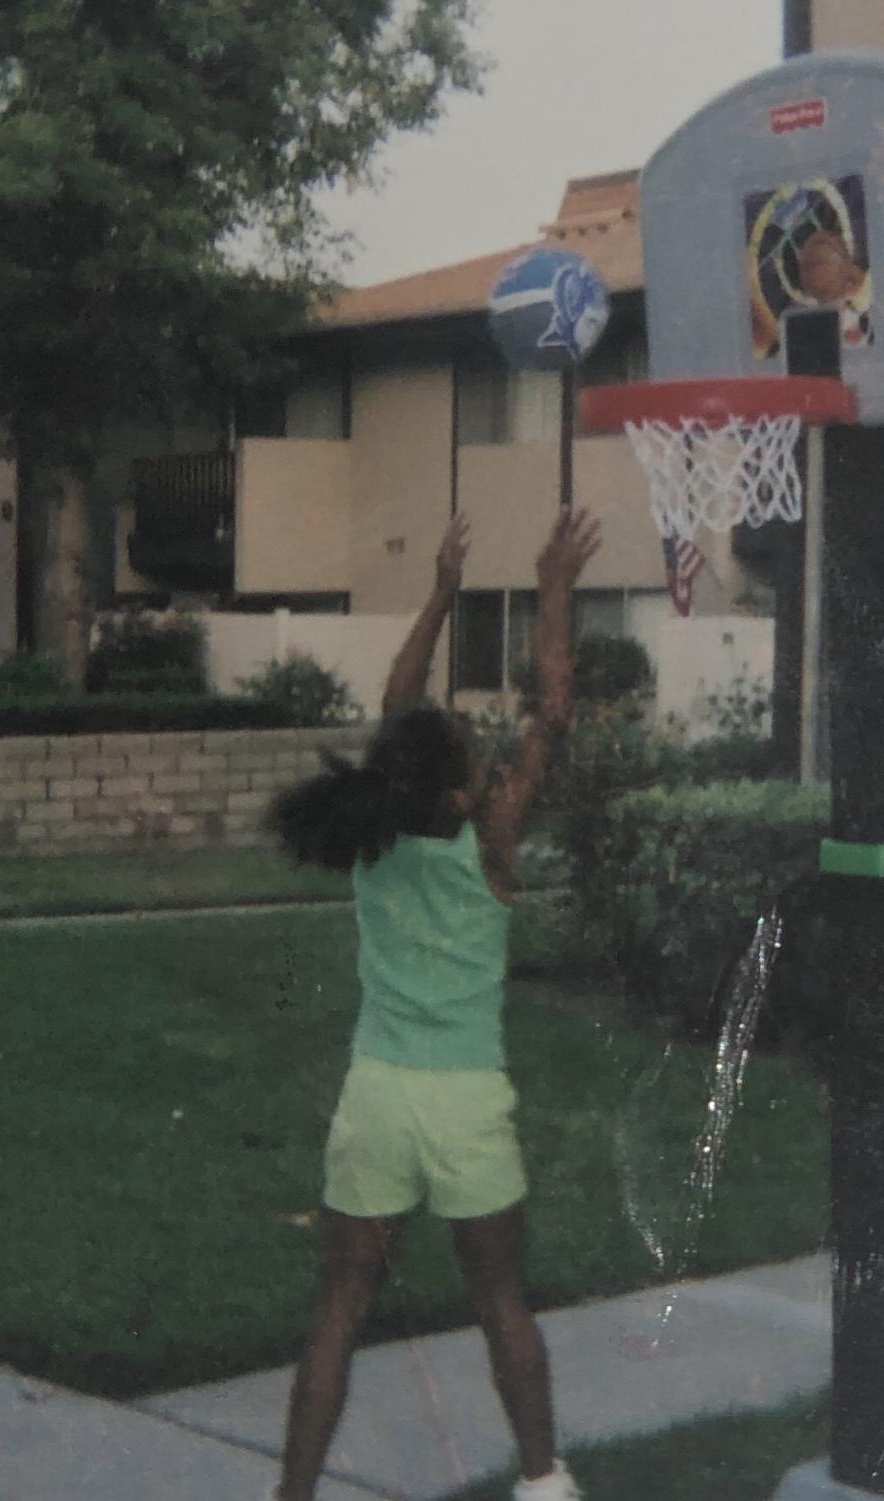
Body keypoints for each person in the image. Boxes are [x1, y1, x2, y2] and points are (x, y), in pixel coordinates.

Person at [263, 506, 602, 1501]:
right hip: (463, 1101)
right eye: (472, 757)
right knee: (501, 1299)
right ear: (461, 793)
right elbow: (552, 709)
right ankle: (542, 1482)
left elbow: (398, 705)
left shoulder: (376, 839)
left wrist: (444, 592)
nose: (487, 762)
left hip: (375, 1094)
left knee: (337, 1310)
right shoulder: (487, 843)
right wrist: (549, 591)